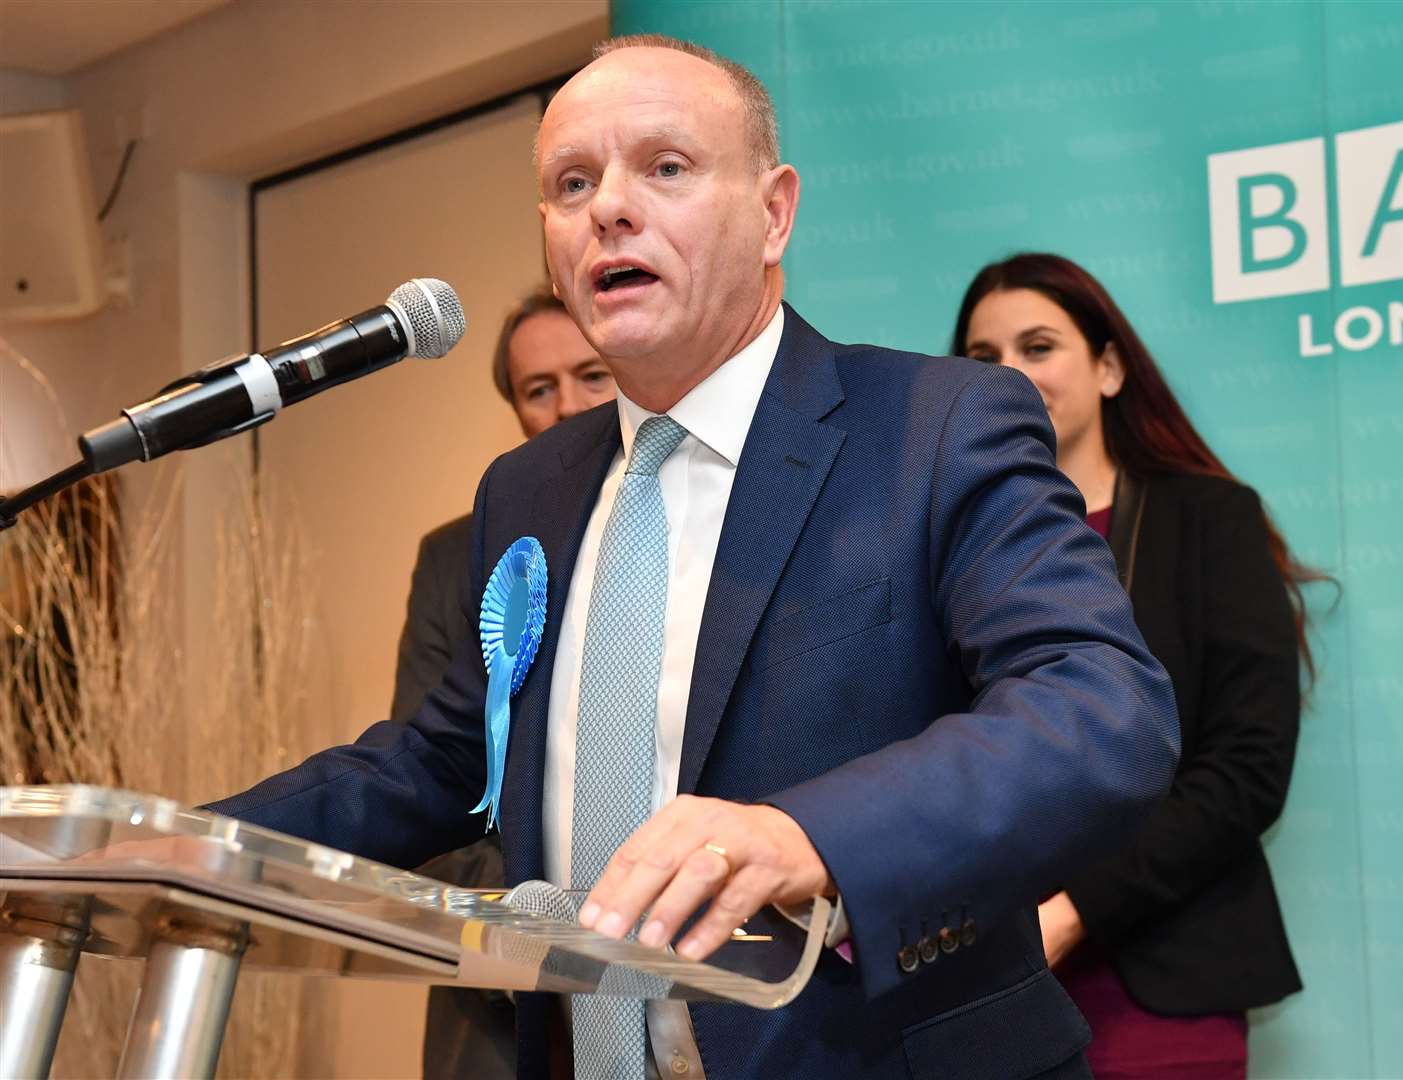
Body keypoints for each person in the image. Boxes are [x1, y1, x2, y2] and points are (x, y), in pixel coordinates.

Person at [209, 37, 1179, 1080]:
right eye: (571, 183)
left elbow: (1097, 707)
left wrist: (808, 837)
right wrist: (171, 848)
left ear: (773, 212)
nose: (608, 210)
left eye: (664, 169)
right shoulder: (525, 488)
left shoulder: (936, 427)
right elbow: (454, 758)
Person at [954, 253, 1317, 1079]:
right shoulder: (944, 542)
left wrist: (1077, 910)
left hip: (1160, 979)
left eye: (1037, 347)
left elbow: (1246, 771)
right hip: (982, 988)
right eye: (981, 359)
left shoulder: (1208, 521)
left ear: (1108, 368)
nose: (1009, 375)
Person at [397, 291, 614, 1080]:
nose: (566, 406)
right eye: (537, 389)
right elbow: (431, 784)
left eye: (592, 375)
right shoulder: (457, 557)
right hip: (506, 1005)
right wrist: (552, 929)